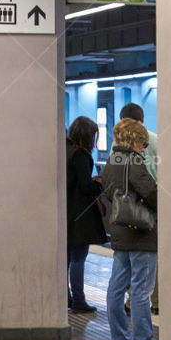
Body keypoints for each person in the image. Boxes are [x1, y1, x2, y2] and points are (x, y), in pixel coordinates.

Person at [102, 118, 159, 340]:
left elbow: (106, 190)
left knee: (116, 287)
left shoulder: (112, 161)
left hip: (120, 231)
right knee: (141, 291)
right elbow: (152, 193)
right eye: (143, 145)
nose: (144, 149)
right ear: (135, 141)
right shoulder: (134, 161)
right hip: (140, 233)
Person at [119, 102, 160, 314]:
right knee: (152, 255)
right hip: (155, 204)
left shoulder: (119, 144)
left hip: (132, 207)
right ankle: (157, 301)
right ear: (142, 121)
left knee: (134, 257)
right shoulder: (157, 140)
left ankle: (131, 300)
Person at [65, 117, 106, 313]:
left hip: (65, 212)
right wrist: (98, 182)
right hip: (79, 215)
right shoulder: (80, 155)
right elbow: (85, 186)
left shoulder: (64, 151)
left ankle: (66, 296)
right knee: (78, 257)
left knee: (66, 257)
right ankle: (80, 300)